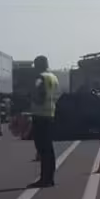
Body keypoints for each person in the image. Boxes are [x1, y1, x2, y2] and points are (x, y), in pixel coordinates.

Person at [28, 55, 60, 188]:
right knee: (49, 149)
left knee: (42, 149)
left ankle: (44, 179)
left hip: (40, 115)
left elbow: (38, 96)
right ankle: (49, 178)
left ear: (38, 65)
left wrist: (31, 98)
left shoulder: (40, 78)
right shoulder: (53, 77)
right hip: (50, 114)